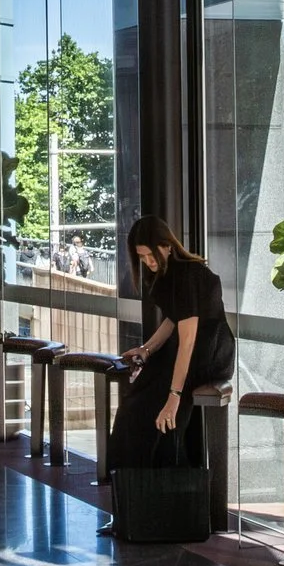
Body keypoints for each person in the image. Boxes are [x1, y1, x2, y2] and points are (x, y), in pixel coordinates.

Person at [108, 218, 235, 535]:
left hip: (209, 352)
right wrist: (147, 349)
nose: (149, 262)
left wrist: (173, 398)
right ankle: (133, 507)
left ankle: (153, 509)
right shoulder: (169, 273)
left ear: (167, 245)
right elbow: (172, 319)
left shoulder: (187, 274)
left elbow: (190, 337)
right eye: (143, 257)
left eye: (152, 255)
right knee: (132, 407)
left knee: (153, 408)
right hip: (190, 347)